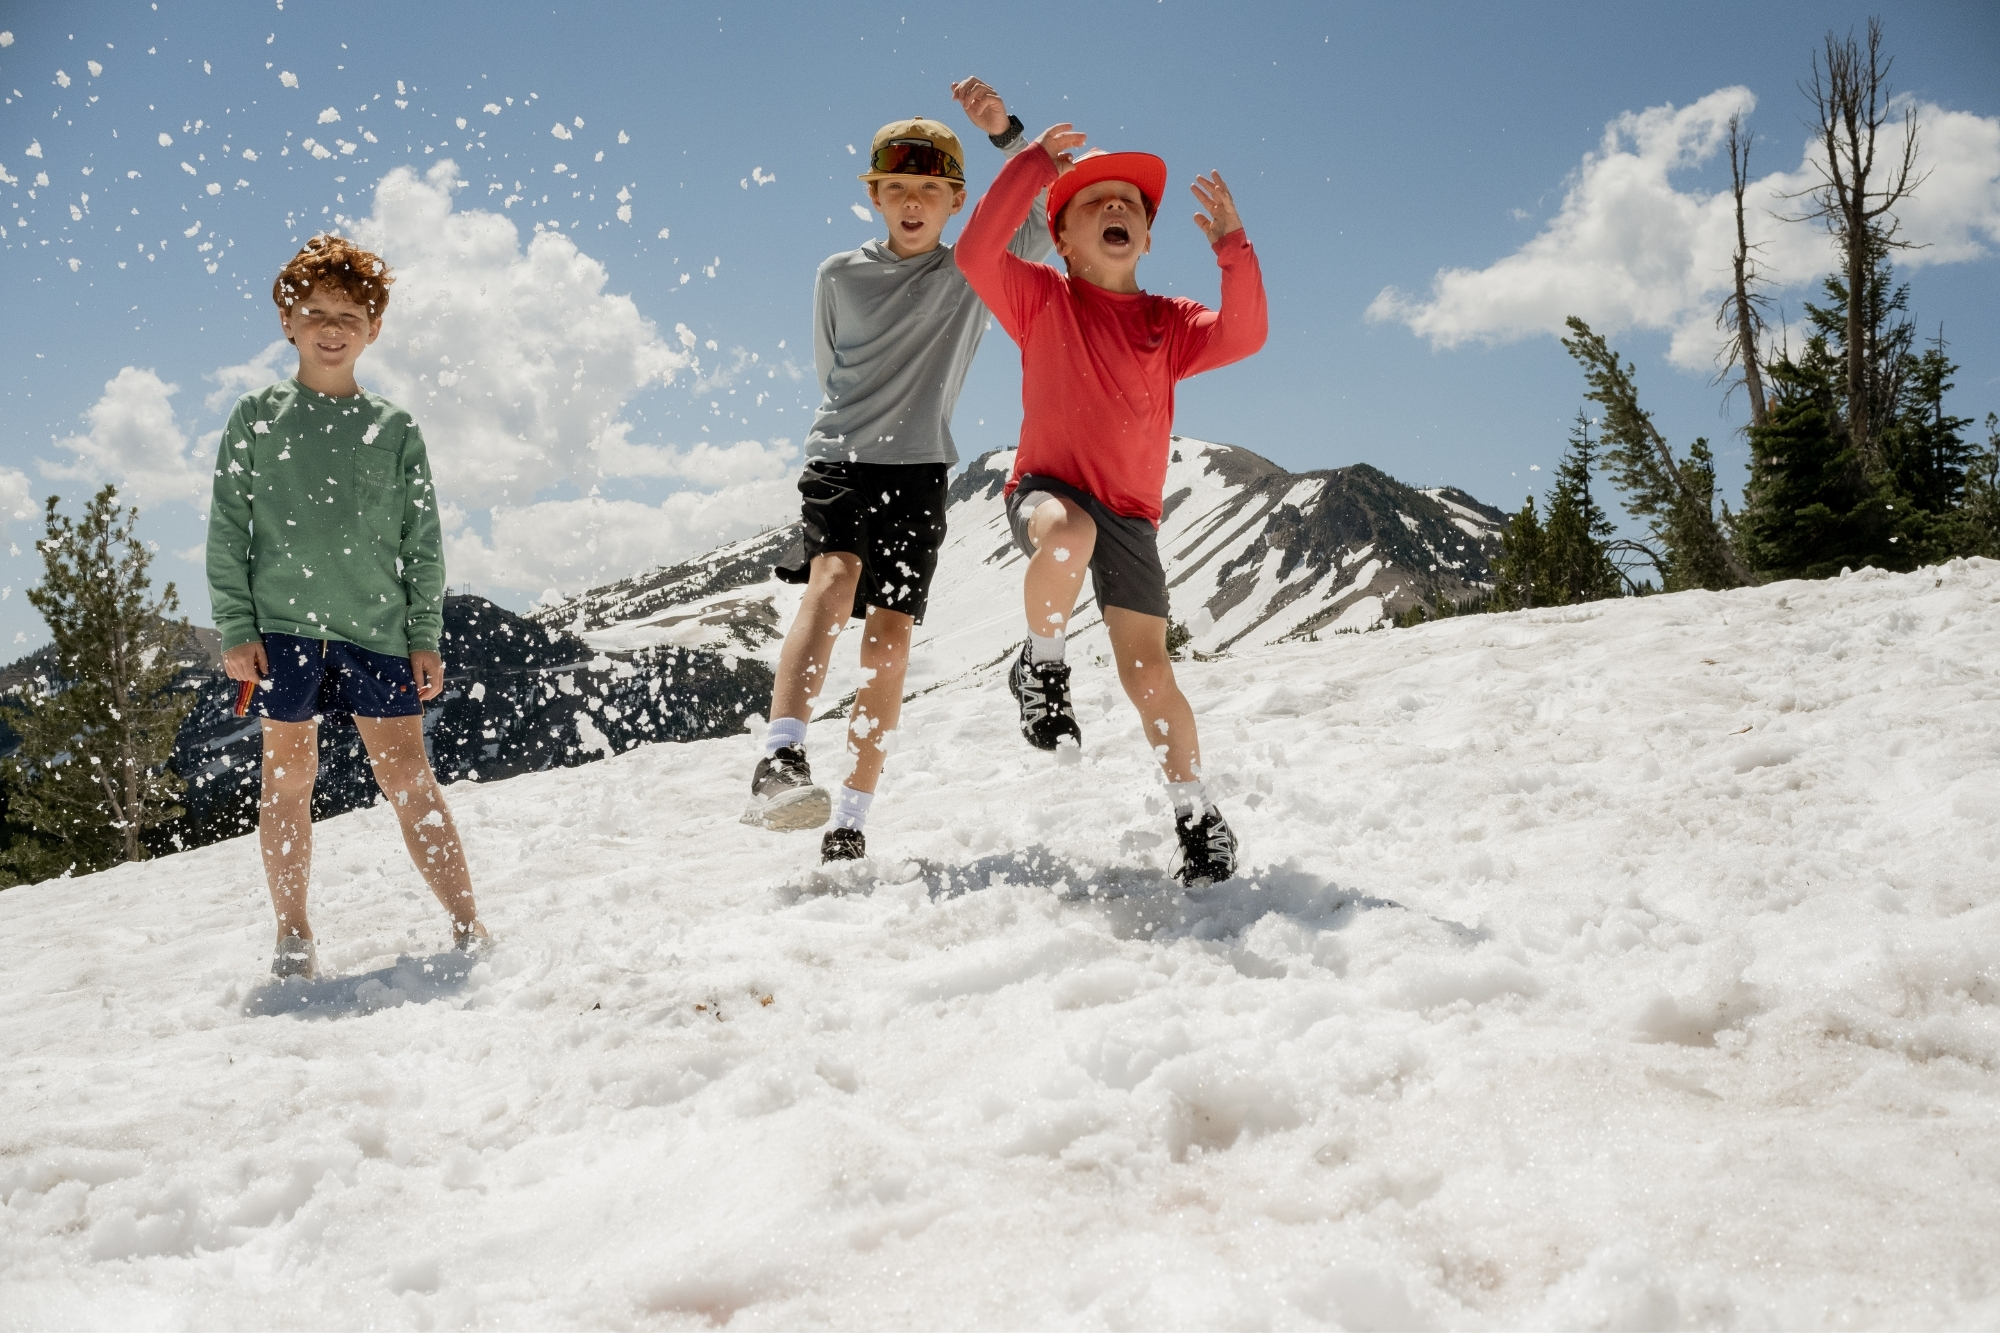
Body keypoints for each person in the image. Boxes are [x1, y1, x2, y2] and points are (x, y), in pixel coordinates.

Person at [743, 76, 1052, 863]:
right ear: (876, 196)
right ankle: (780, 755)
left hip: (919, 470)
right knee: (833, 576)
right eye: (896, 188)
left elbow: (1049, 217)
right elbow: (832, 369)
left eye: (930, 189)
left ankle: (849, 815)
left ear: (955, 201)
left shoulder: (977, 268)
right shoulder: (837, 274)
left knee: (887, 641)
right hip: (841, 454)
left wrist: (1006, 133)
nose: (912, 201)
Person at [955, 125, 1268, 887]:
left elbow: (1245, 334)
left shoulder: (1168, 323)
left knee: (1150, 675)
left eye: (1128, 203)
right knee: (1068, 533)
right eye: (1093, 202)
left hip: (1131, 520)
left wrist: (1233, 245)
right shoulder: (1040, 298)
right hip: (1048, 491)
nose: (1116, 207)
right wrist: (1032, 164)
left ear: (1149, 239)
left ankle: (1197, 815)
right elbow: (973, 254)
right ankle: (1044, 668)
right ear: (1059, 239)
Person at [207, 235, 486, 980]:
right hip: (283, 632)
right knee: (286, 784)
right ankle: (293, 934)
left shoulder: (395, 429)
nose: (333, 326)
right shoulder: (255, 417)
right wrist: (236, 626)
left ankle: (467, 920)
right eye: (316, 311)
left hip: (377, 631)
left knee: (408, 779)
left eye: (351, 313)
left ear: (374, 328)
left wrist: (423, 632)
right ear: (287, 321)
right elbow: (228, 528)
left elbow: (421, 543)